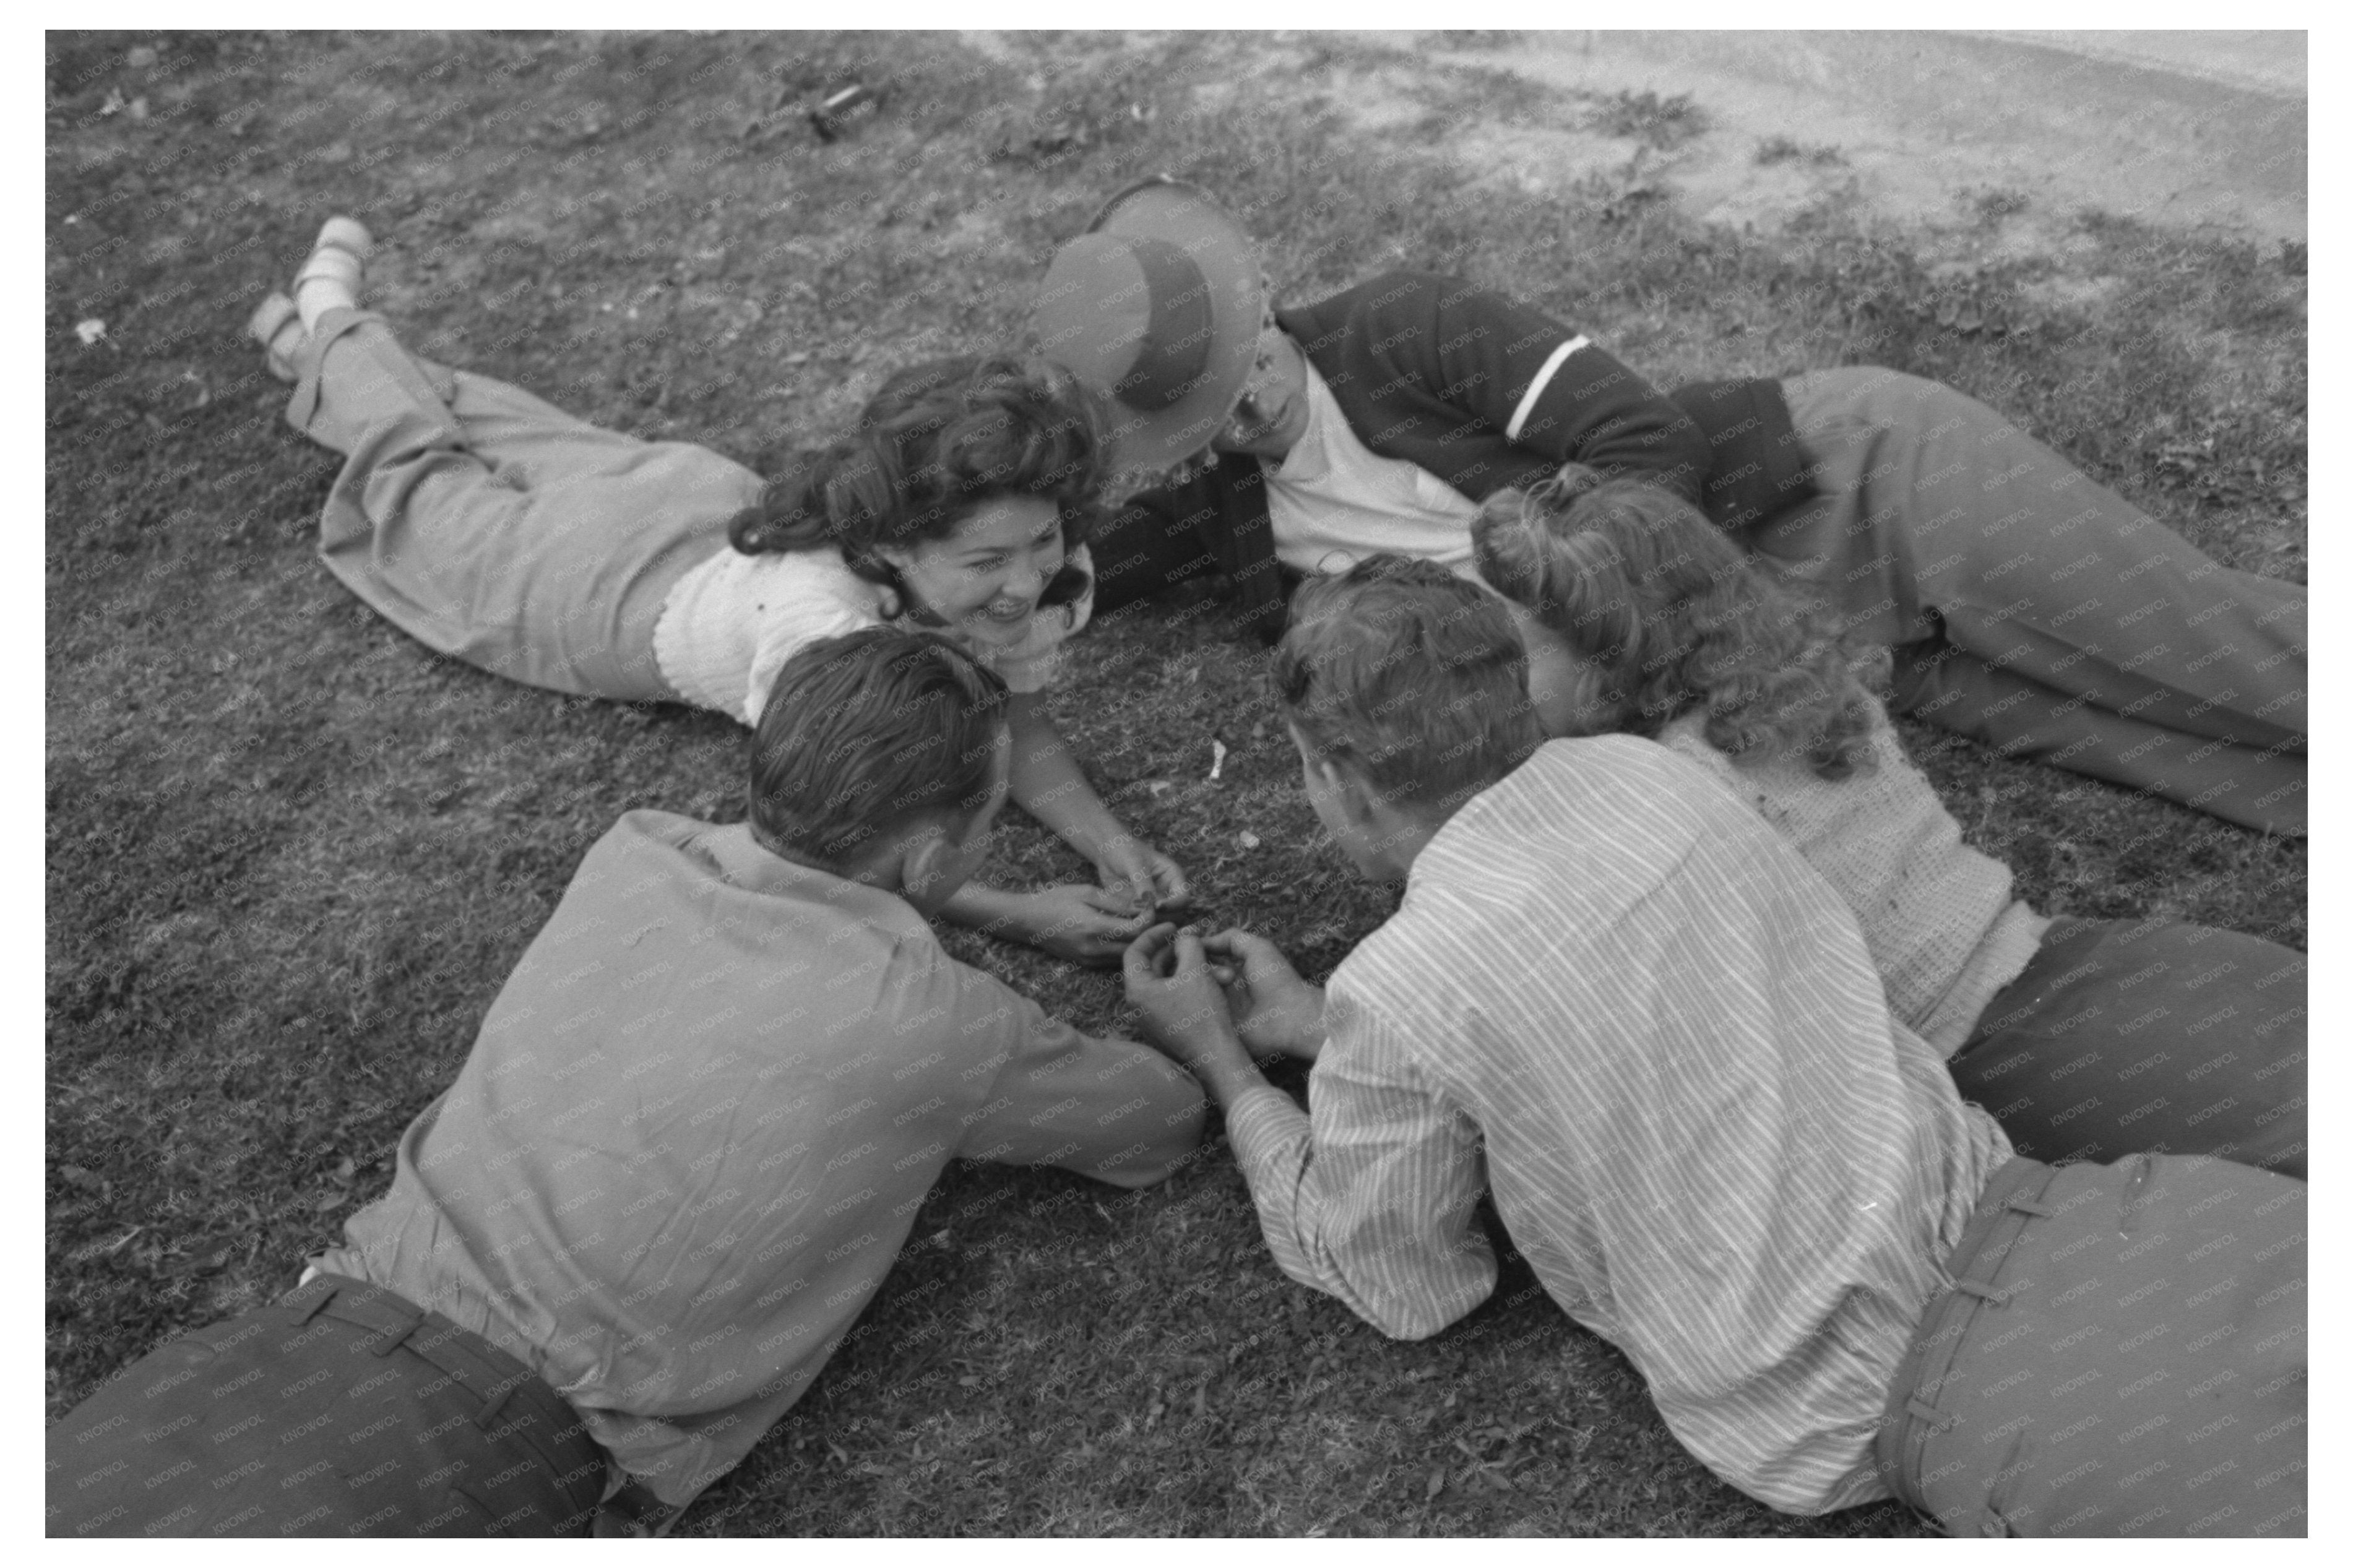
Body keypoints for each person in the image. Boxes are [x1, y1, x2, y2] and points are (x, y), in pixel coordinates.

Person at [1120, 557, 2303, 1536]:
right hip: (2118, 1215)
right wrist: (1332, 1031)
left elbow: (1402, 1279)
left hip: (1945, 1400)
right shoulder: (1647, 777)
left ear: (1330, 774)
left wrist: (1230, 1071)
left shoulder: (1407, 986)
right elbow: (1604, 1000)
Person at [46, 629, 1209, 1538]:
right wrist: (1194, 1031)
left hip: (279, 1350)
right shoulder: (938, 1026)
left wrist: (958, 898)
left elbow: (806, 872)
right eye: (989, 816)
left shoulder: (639, 848)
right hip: (480, 1459)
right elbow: (1152, 1126)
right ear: (927, 851)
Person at [1030, 179, 2307, 835]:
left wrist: (1572, 628)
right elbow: (1054, 552)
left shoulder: (1399, 324)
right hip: (1786, 654)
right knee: (2143, 745)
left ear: (1257, 304)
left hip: (1849, 484)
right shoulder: (1224, 518)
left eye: (1237, 372)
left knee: (2221, 654)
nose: (1239, 416)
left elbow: (1640, 442)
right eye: (1199, 416)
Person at [247, 218, 1183, 962]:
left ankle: (322, 349)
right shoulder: (821, 647)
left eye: (1042, 540)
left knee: (489, 419)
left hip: (692, 503)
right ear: (895, 542)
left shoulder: (1009, 576)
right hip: (592, 596)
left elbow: (1016, 720)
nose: (1026, 583)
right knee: (416, 478)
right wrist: (1021, 912)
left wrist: (1110, 841)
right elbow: (839, 846)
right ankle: (325, 318)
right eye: (986, 563)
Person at [1470, 468, 2305, 1177]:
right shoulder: (1793, 682)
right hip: (2088, 960)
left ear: (1604, 659)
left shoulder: (1671, 794)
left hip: (1994, 1054)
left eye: (1517, 648)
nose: (1494, 671)